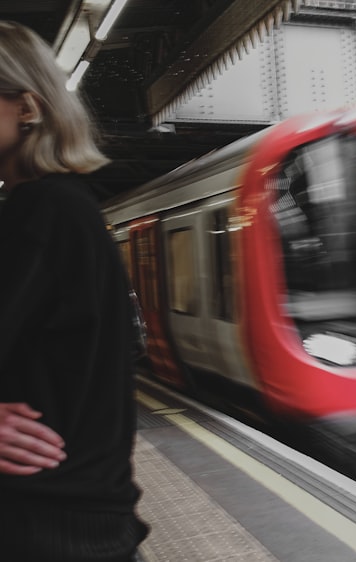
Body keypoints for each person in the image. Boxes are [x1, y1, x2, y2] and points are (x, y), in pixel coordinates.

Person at [0, 20, 148, 560]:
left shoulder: (40, 213)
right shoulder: (65, 207)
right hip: (78, 518)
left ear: (27, 107)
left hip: (46, 523)